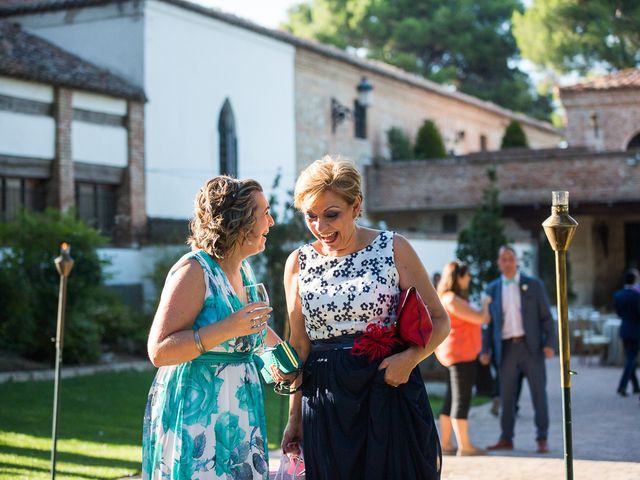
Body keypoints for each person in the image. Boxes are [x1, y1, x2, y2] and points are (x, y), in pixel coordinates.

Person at [280, 156, 450, 480]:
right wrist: (295, 417)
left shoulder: (394, 248)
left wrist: (410, 359)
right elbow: (299, 345)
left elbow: (440, 320)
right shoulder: (298, 263)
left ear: (356, 206)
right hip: (325, 403)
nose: (321, 227)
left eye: (331, 215)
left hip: (386, 390)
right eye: (311, 216)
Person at [142, 176, 281, 480]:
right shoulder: (194, 270)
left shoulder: (244, 270)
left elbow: (255, 330)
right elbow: (159, 350)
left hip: (239, 409)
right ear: (240, 219)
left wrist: (286, 364)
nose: (271, 222)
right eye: (265, 213)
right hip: (198, 412)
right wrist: (228, 327)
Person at [480, 245, 556, 454]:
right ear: (498, 262)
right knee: (506, 397)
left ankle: (542, 438)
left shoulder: (534, 285)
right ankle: (506, 438)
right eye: (503, 259)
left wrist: (550, 344)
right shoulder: (492, 289)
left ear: (516, 261)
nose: (507, 262)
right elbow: (487, 323)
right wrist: (485, 349)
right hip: (505, 350)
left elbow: (547, 318)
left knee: (538, 393)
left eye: (510, 258)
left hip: (531, 348)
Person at [435, 261, 491, 456]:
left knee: (451, 399)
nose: (469, 279)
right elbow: (480, 318)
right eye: (466, 275)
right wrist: (485, 303)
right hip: (461, 353)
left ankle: (446, 444)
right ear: (457, 277)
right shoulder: (451, 299)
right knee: (462, 398)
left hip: (455, 353)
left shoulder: (449, 297)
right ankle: (465, 446)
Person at [614, 269, 640, 397]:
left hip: (624, 329)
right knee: (631, 358)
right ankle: (622, 386)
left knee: (630, 357)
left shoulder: (618, 294)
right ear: (635, 280)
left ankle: (636, 386)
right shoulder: (637, 295)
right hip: (635, 330)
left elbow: (618, 313)